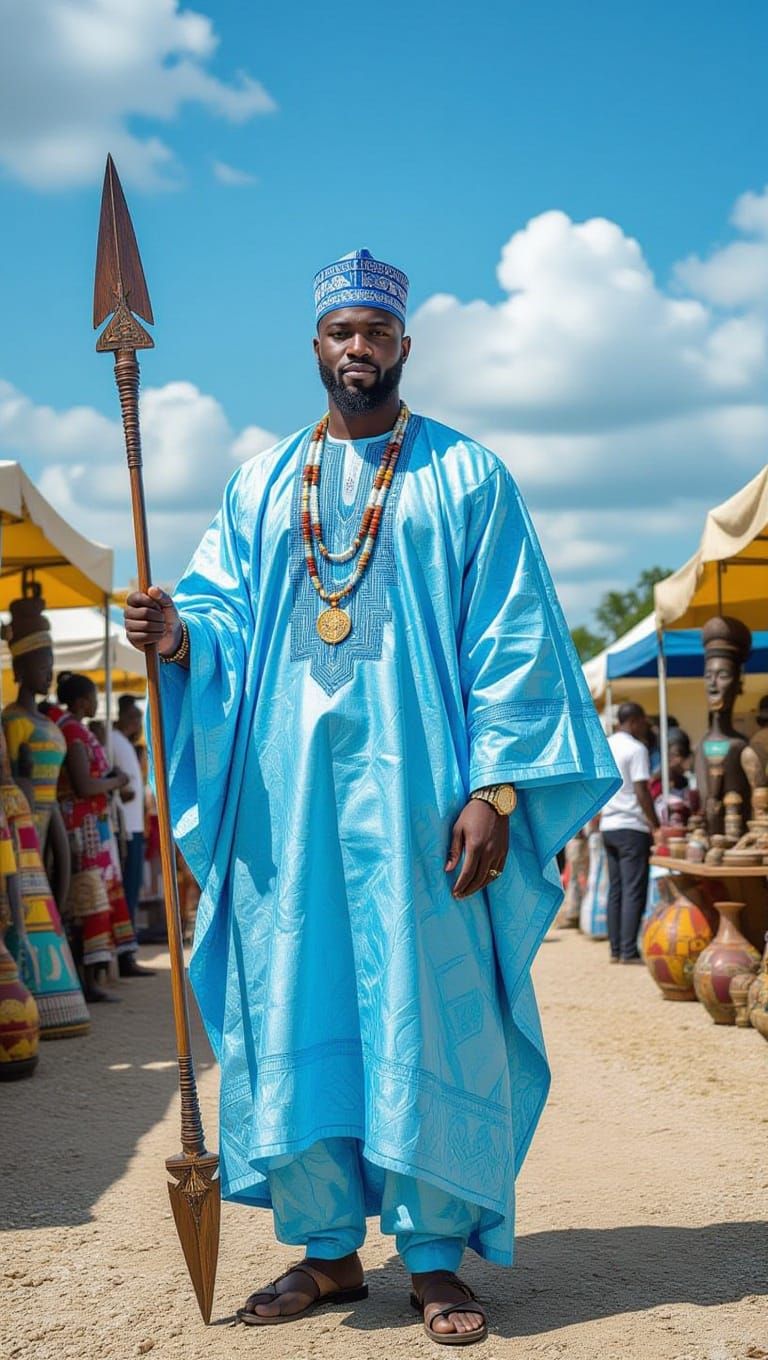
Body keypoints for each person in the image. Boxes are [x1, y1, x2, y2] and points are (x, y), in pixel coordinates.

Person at [125, 249, 617, 1345]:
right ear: (316, 347)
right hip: (287, 810)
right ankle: (329, 1250)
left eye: (376, 333)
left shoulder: (468, 477)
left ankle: (436, 1260)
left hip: (422, 805)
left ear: (404, 345)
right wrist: (180, 634)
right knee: (298, 998)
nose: (358, 348)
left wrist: (495, 785)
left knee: (429, 1008)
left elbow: (515, 642)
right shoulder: (259, 483)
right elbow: (218, 612)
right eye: (340, 331)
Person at [55, 672, 153, 1000]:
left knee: (101, 898)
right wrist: (116, 781)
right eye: (95, 696)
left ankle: (98, 974)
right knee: (89, 900)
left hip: (93, 826)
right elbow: (84, 785)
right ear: (83, 701)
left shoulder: (79, 730)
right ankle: (90, 980)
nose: (99, 702)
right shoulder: (72, 731)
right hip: (84, 829)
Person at [2, 589, 71, 915]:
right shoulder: (12, 721)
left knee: (53, 894)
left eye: (51, 665)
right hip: (22, 821)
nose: (49, 673)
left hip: (49, 813)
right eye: (42, 666)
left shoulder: (49, 724)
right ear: (20, 669)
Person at [600, 702, 659, 964]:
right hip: (631, 826)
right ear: (634, 721)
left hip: (608, 826)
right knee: (634, 889)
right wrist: (655, 825)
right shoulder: (637, 749)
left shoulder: (605, 745)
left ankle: (615, 949)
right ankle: (628, 950)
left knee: (616, 889)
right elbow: (642, 791)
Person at [110, 695, 146, 930]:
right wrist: (120, 792)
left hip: (136, 825)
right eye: (132, 717)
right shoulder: (111, 740)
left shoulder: (126, 742)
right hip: (125, 828)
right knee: (126, 890)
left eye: (138, 718)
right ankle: (127, 950)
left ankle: (130, 945)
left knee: (133, 888)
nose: (136, 722)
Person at [649, 727, 700, 826]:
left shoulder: (687, 782)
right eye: (674, 755)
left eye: (681, 756)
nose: (677, 760)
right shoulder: (656, 784)